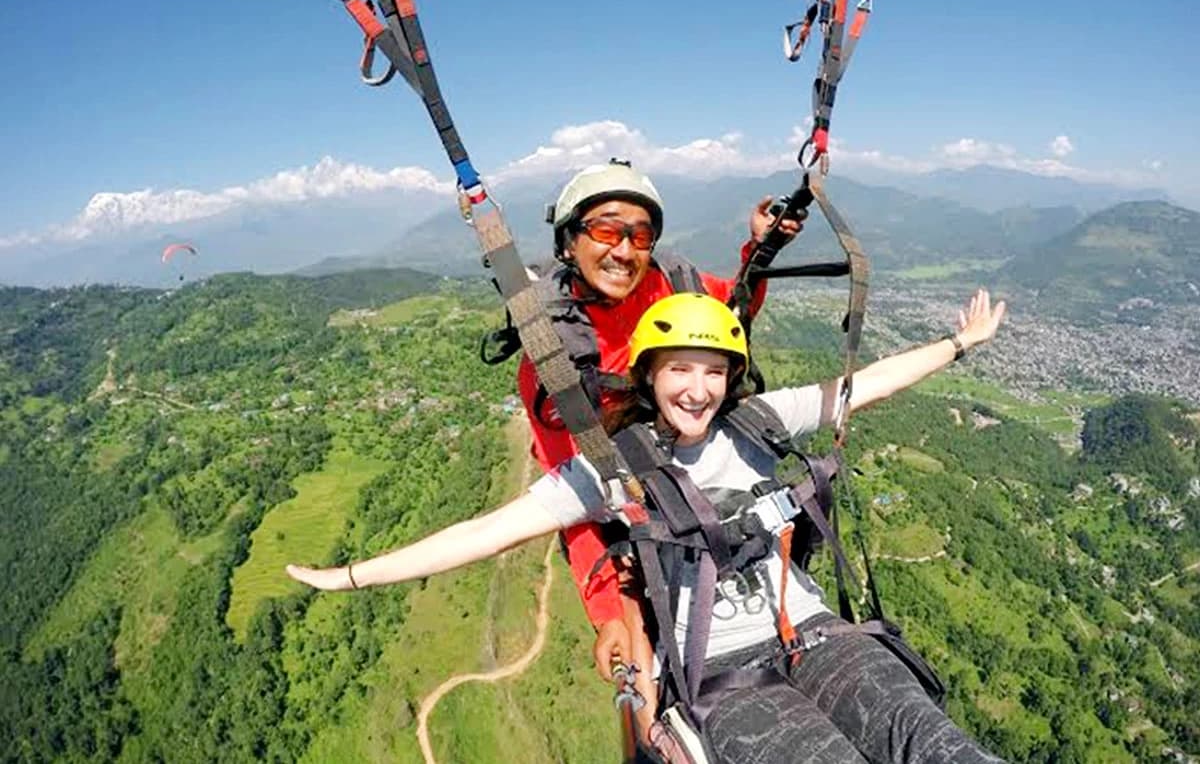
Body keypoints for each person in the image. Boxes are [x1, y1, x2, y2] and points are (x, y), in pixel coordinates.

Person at [288, 289, 1008, 763]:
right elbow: (487, 532)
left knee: (933, 744)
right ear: (649, 375)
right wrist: (352, 576)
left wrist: (960, 344)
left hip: (814, 633)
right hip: (720, 677)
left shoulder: (758, 421)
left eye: (714, 372)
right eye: (679, 371)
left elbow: (867, 385)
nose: (698, 389)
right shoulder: (611, 470)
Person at [516, 158, 799, 680]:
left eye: (640, 236)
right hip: (622, 499)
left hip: (687, 472)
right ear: (569, 242)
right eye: (606, 231)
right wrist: (607, 612)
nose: (624, 251)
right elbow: (572, 493)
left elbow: (731, 314)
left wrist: (761, 249)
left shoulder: (671, 287)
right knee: (650, 675)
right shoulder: (555, 357)